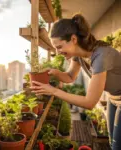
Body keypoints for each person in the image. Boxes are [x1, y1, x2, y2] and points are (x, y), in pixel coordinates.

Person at [30, 14, 121, 150]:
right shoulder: (78, 55)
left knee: (117, 146)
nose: (57, 52)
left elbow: (89, 102)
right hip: (113, 98)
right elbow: (70, 77)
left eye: (59, 46)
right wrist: (55, 73)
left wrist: (54, 91)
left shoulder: (101, 56)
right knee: (112, 141)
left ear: (73, 39)